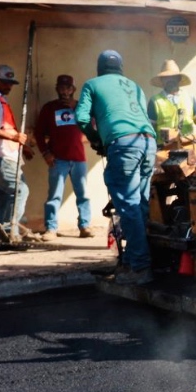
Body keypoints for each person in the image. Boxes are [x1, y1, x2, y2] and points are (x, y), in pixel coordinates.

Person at [75, 49, 157, 286]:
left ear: (100, 68)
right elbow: (143, 115)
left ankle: (140, 267)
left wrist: (96, 138)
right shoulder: (135, 86)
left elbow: (81, 118)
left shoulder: (92, 84)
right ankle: (131, 261)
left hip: (123, 145)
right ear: (120, 68)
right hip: (148, 142)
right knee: (139, 206)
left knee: (129, 206)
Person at [0, 63, 36, 243]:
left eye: (10, 83)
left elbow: (4, 129)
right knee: (20, 189)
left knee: (1, 196)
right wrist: (15, 138)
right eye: (5, 82)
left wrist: (21, 145)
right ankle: (10, 231)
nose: (9, 86)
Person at [33, 74, 94, 241]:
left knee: (83, 194)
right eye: (61, 88)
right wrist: (45, 152)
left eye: (68, 88)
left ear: (73, 89)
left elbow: (93, 125)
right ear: (57, 89)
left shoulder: (81, 107)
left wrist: (78, 106)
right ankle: (51, 229)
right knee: (54, 195)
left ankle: (85, 226)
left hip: (79, 158)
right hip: (57, 159)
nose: (65, 91)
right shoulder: (49, 108)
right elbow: (38, 134)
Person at [147, 59, 196, 154]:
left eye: (173, 77)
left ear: (179, 79)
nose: (170, 80)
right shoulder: (155, 101)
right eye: (166, 78)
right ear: (162, 80)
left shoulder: (189, 98)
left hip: (188, 146)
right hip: (165, 150)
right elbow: (150, 129)